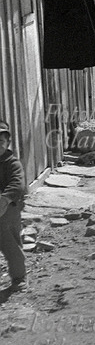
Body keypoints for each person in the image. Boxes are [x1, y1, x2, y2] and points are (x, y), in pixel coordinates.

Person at [0, 122, 26, 293]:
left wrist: (5, 199)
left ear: (7, 143)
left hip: (8, 209)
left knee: (10, 245)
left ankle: (19, 278)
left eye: (1, 141)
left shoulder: (12, 163)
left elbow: (17, 185)